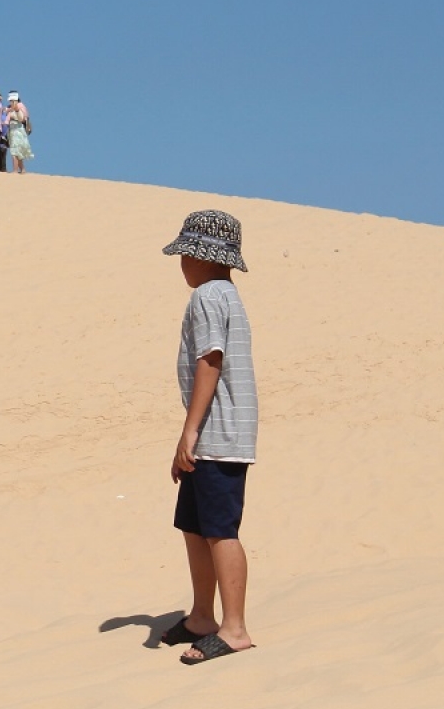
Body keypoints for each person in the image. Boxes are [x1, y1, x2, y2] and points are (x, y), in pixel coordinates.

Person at [159, 211, 258, 665]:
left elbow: (210, 361)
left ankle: (234, 629)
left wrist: (189, 431)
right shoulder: (225, 294)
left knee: (220, 530)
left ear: (202, 257)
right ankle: (202, 616)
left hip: (218, 435)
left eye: (185, 254)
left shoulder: (207, 296)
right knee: (194, 525)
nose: (182, 263)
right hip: (215, 434)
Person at [5, 92, 33, 174]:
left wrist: (15, 110)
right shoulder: (11, 108)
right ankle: (22, 169)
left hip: (17, 131)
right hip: (13, 131)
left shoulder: (19, 107)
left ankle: (15, 170)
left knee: (14, 151)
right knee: (17, 152)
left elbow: (22, 119)